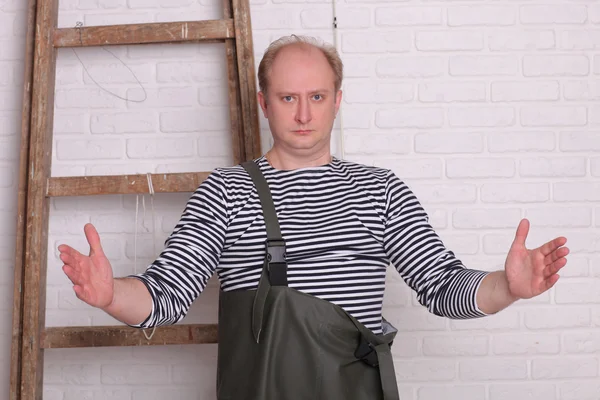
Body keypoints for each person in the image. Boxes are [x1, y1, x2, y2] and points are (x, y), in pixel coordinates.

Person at [58, 35, 569, 399]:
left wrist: (507, 286)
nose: (304, 115)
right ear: (263, 103)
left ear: (337, 101)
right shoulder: (226, 192)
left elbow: (441, 285)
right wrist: (111, 296)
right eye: (288, 98)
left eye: (317, 97)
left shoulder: (380, 190)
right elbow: (164, 297)